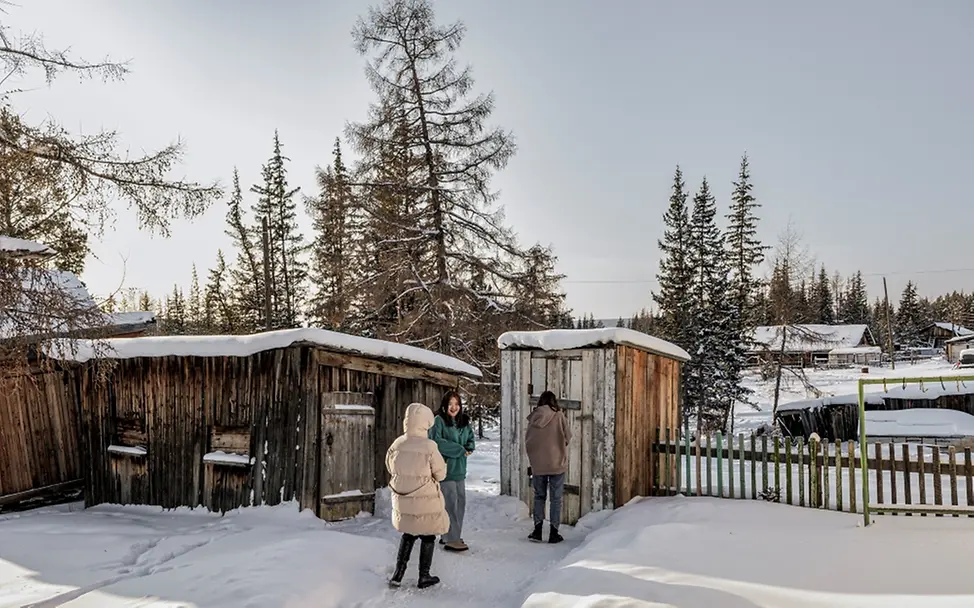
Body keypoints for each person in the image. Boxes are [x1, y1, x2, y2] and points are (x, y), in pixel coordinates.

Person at [386, 402, 450, 589]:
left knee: (409, 534)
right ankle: (424, 576)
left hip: (403, 498)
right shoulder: (430, 446)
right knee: (428, 535)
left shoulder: (397, 443)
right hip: (425, 499)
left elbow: (390, 467)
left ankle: (398, 575)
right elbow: (440, 474)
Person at [428, 390, 475, 552]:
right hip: (445, 470)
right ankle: (452, 539)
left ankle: (451, 535)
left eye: (457, 404)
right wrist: (458, 449)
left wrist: (469, 447)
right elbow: (436, 442)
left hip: (460, 469)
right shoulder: (438, 421)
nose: (454, 407)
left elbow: (470, 438)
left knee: (460, 503)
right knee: (450, 504)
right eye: (450, 404)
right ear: (444, 406)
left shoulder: (463, 422)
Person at [524, 390, 571, 544]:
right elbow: (568, 436)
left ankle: (537, 531)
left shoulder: (534, 417)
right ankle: (554, 533)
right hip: (557, 463)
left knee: (539, 496)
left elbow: (528, 440)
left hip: (538, 464)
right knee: (556, 499)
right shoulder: (559, 416)